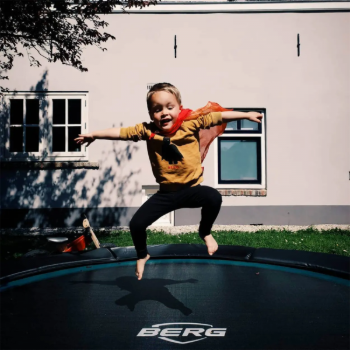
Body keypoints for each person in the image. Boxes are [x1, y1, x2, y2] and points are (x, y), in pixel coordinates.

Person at [75, 83, 263, 280]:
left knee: (213, 197)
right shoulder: (147, 131)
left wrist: (246, 114)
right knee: (136, 225)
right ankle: (142, 255)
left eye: (169, 107)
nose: (164, 113)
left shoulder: (191, 123)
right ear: (150, 114)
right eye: (157, 109)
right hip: (166, 194)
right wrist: (94, 135)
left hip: (192, 190)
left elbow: (218, 116)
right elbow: (121, 133)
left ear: (179, 108)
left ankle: (205, 232)